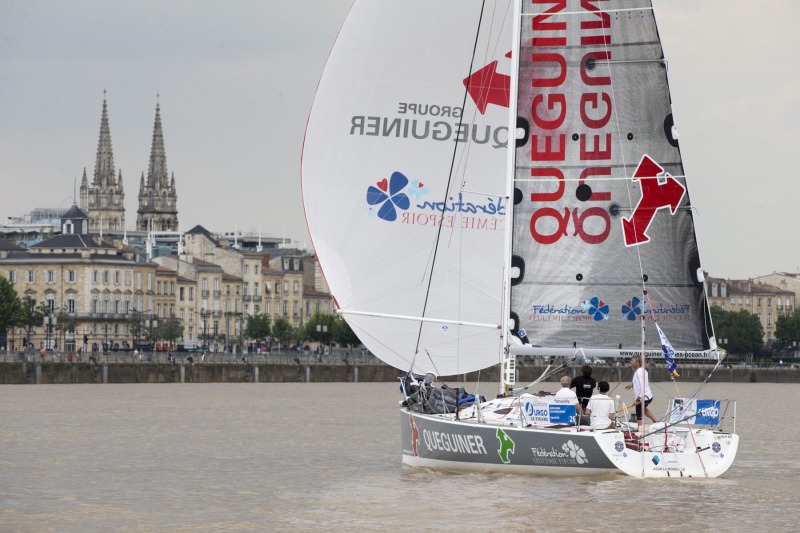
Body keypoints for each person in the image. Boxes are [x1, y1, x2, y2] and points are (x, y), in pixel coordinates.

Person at [625, 354, 657, 425]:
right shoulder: (643, 370)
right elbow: (642, 382)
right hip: (648, 397)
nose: (631, 362)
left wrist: (638, 400)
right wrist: (632, 384)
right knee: (644, 409)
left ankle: (641, 431)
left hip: (643, 398)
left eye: (632, 360)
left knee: (639, 415)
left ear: (637, 363)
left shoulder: (638, 372)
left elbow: (642, 386)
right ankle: (655, 420)